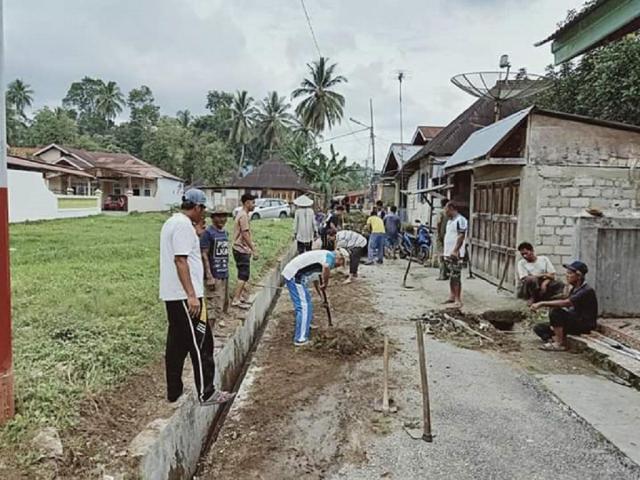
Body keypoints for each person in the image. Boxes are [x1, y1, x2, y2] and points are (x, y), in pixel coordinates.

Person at [159, 189, 234, 406]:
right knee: (202, 343)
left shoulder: (173, 223)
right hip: (187, 297)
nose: (204, 216)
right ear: (198, 207)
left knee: (177, 346)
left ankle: (174, 392)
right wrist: (192, 295)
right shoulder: (183, 226)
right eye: (203, 210)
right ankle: (207, 392)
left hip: (174, 296)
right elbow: (180, 260)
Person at [281, 248, 348, 346]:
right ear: (339, 258)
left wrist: (322, 297)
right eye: (340, 263)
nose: (338, 266)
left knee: (307, 304)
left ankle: (305, 326)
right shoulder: (330, 257)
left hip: (297, 276)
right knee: (303, 307)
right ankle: (301, 339)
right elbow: (326, 268)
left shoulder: (323, 256)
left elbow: (316, 280)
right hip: (294, 276)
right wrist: (325, 283)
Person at [531, 261, 598, 352]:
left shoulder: (586, 290)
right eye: (567, 273)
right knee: (539, 328)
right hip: (574, 320)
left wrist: (542, 303)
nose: (567, 276)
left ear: (579, 276)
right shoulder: (574, 288)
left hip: (583, 324)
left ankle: (559, 343)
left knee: (556, 311)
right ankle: (554, 339)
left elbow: (566, 303)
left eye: (570, 273)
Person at [201, 205, 231, 329]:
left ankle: (217, 327)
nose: (222, 219)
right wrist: (209, 275)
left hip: (224, 274)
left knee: (222, 303)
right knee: (212, 305)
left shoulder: (225, 232)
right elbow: (204, 254)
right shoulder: (208, 233)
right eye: (219, 216)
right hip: (214, 275)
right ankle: (209, 333)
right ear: (213, 218)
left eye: (224, 216)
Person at [232, 193, 258, 309]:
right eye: (253, 202)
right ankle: (236, 299)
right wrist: (253, 249)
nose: (254, 205)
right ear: (247, 203)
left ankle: (240, 296)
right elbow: (245, 233)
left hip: (239, 249)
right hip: (241, 249)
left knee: (243, 274)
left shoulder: (242, 214)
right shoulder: (243, 216)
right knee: (243, 275)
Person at [442, 201, 468, 308]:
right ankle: (452, 296)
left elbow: (461, 236)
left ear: (451, 208)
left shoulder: (460, 220)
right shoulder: (450, 221)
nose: (445, 211)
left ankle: (458, 298)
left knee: (456, 276)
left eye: (446, 209)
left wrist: (456, 250)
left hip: (456, 254)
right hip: (448, 253)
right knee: (451, 275)